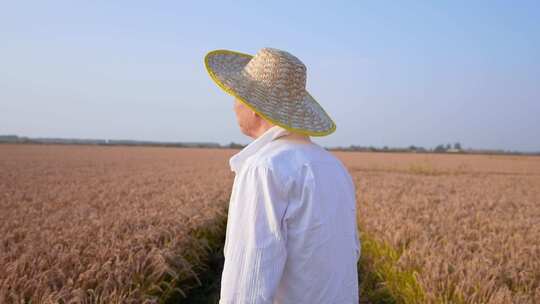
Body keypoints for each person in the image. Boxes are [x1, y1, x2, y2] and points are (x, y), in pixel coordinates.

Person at [204, 47, 361, 304]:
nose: (233, 106)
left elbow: (248, 283)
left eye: (237, 95)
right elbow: (350, 253)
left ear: (255, 106)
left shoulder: (263, 168)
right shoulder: (334, 167)